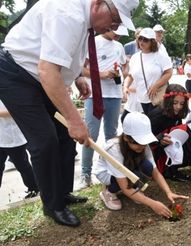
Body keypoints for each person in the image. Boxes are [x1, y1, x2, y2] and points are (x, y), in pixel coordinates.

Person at [0, 0, 139, 227]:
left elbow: (61, 56)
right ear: (98, 3)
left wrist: (77, 77)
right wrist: (75, 120)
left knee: (64, 136)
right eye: (114, 19)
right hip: (16, 75)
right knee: (44, 141)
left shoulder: (84, 19)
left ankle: (62, 193)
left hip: (38, 75)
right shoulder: (67, 13)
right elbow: (47, 70)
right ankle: (53, 205)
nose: (114, 27)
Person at [93, 112, 188, 217]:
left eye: (143, 142)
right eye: (137, 142)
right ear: (126, 138)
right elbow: (125, 187)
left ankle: (135, 191)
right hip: (108, 173)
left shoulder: (143, 146)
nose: (142, 146)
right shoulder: (114, 149)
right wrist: (153, 204)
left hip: (128, 168)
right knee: (123, 180)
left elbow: (155, 172)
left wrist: (168, 192)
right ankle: (109, 192)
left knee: (147, 166)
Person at [79, 26, 128, 189]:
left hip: (114, 95)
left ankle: (111, 170)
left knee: (111, 136)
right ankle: (86, 173)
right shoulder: (92, 42)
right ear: (108, 26)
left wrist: (120, 73)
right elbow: (81, 69)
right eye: (116, 31)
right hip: (95, 95)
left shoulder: (119, 46)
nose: (118, 35)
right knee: (90, 135)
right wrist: (101, 74)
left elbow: (124, 66)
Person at [148, 84, 191, 182]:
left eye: (181, 103)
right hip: (155, 149)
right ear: (168, 101)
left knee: (185, 132)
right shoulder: (157, 115)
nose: (178, 107)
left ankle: (176, 166)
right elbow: (147, 139)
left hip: (170, 144)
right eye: (175, 103)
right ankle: (169, 171)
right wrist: (160, 139)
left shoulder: (177, 113)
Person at [122, 28, 173, 118]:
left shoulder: (160, 56)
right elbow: (130, 76)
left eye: (145, 39)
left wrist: (156, 85)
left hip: (156, 97)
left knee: (154, 126)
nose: (142, 42)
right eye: (140, 38)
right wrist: (125, 87)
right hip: (141, 98)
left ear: (152, 41)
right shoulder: (135, 57)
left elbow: (168, 73)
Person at [0, 100, 39, 199]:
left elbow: (14, 110)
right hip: (2, 137)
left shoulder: (8, 89)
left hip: (13, 137)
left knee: (22, 166)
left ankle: (34, 188)